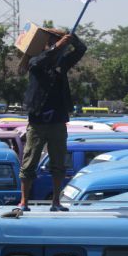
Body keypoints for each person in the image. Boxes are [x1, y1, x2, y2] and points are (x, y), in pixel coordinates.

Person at [17, 29, 87, 212]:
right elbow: (43, 58)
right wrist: (58, 44)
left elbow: (81, 49)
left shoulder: (62, 63)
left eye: (59, 41)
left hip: (57, 120)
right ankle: (23, 201)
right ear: (46, 45)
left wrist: (71, 37)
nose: (59, 46)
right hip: (37, 122)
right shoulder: (35, 61)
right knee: (29, 163)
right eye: (53, 42)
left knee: (58, 164)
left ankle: (56, 201)